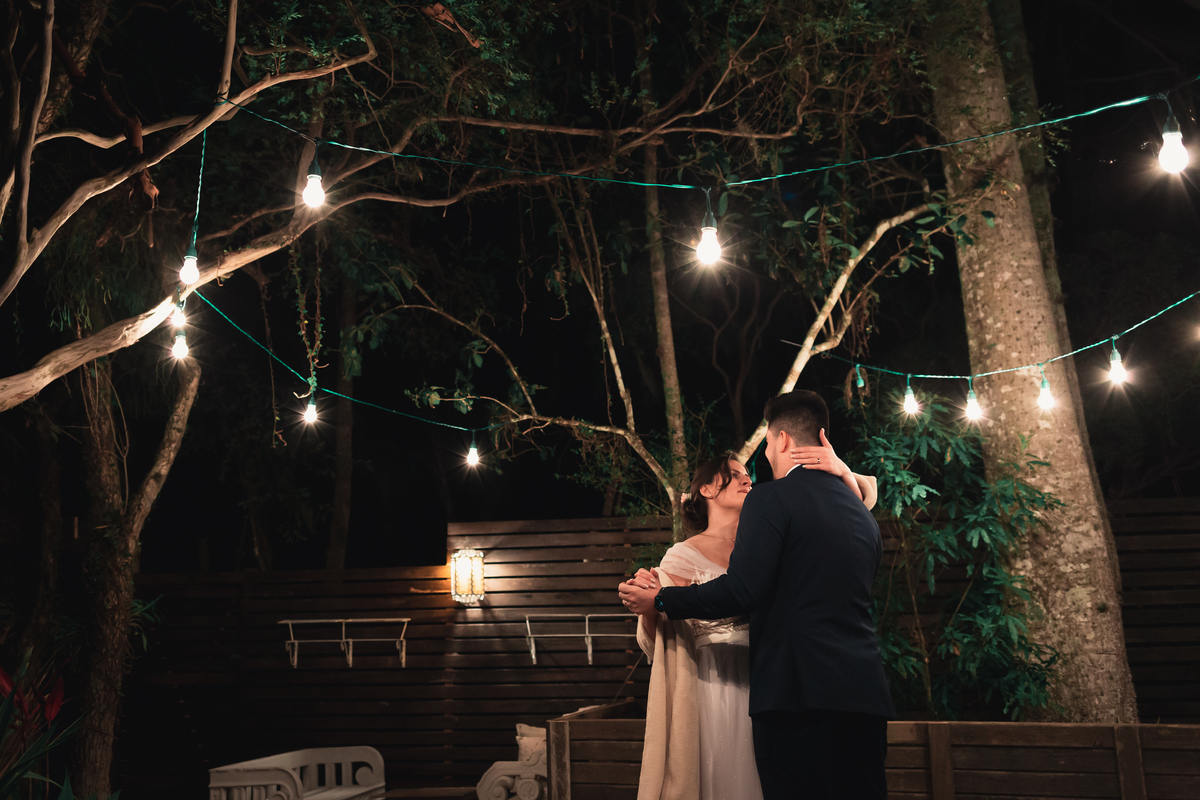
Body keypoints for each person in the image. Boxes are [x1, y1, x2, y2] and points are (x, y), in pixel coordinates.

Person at [620, 390, 895, 800]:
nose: (763, 459)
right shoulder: (862, 516)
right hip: (864, 694)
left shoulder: (771, 498)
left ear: (782, 440)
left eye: (766, 443)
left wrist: (662, 599)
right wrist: (845, 473)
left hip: (796, 695)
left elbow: (744, 589)